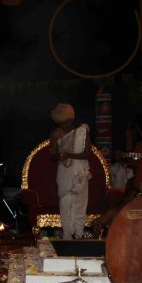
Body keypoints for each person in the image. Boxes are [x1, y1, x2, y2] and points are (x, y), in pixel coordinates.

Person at [49, 103, 92, 240]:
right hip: (64, 173)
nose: (64, 126)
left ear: (71, 120)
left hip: (80, 172)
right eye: (61, 123)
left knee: (80, 204)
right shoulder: (55, 134)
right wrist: (59, 156)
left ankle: (78, 235)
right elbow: (52, 156)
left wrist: (70, 155)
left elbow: (88, 154)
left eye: (66, 122)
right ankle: (67, 235)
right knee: (65, 202)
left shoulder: (82, 131)